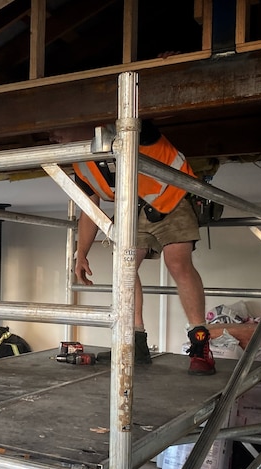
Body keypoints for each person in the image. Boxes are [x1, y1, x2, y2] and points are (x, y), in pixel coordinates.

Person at [58, 120, 215, 376]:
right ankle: (135, 343)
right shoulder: (82, 163)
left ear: (86, 121)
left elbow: (139, 126)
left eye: (57, 127)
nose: (52, 136)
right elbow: (90, 211)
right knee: (126, 268)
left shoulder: (135, 132)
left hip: (173, 200)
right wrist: (81, 253)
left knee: (176, 262)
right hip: (133, 211)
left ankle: (200, 344)